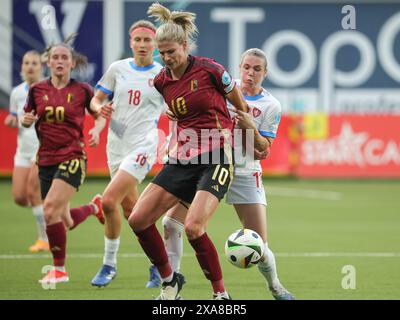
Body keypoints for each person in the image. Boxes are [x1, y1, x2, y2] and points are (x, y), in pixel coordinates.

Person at [148, 48, 295, 300]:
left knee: (258, 245)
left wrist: (251, 129)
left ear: (266, 73)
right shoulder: (221, 87)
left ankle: (276, 286)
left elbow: (263, 152)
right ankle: (171, 287)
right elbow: (189, 107)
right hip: (208, 165)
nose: (250, 73)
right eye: (246, 67)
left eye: (257, 69)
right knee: (171, 223)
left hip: (244, 173)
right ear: (239, 68)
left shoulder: (271, 106)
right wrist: (172, 110)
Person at [127, 2, 249, 300]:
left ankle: (220, 295)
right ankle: (170, 281)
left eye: (172, 51)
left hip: (216, 157)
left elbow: (239, 103)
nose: (167, 58)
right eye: (162, 53)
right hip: (182, 159)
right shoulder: (161, 81)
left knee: (194, 228)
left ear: (184, 45)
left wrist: (245, 138)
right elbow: (177, 108)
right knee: (138, 219)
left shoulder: (210, 69)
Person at [21, 36, 105, 284]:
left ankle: (59, 270)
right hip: (45, 159)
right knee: (63, 221)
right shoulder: (37, 90)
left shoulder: (82, 90)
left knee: (49, 211)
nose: (59, 61)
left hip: (73, 156)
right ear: (48, 61)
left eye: (64, 58)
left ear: (71, 63)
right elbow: (29, 115)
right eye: (55, 57)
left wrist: (97, 129)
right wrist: (26, 120)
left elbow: (98, 115)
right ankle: (93, 207)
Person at [89, 20, 165, 287]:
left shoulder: (161, 74)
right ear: (131, 42)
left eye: (148, 40)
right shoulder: (117, 69)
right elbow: (96, 99)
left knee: (108, 201)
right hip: (116, 146)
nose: (143, 45)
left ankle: (109, 264)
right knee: (133, 211)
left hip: (143, 145)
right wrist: (98, 108)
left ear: (155, 44)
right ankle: (159, 264)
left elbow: (177, 109)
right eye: (138, 40)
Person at [4, 51, 49, 252]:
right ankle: (56, 215)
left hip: (42, 149)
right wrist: (12, 121)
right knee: (20, 197)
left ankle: (45, 239)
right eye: (26, 63)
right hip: (23, 150)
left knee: (33, 192)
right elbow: (15, 117)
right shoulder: (16, 93)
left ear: (41, 66)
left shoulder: (49, 89)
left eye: (34, 63)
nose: (30, 66)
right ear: (22, 67)